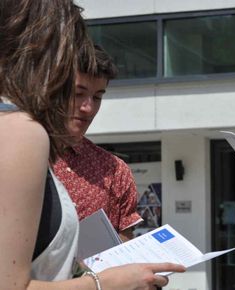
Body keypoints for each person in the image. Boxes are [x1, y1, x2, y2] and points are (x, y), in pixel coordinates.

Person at [0, 0, 184, 289]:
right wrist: (105, 284)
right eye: (66, 49)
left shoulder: (111, 168)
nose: (87, 107)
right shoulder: (21, 132)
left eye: (98, 96)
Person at [53, 44, 142, 241]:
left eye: (97, 97)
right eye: (78, 94)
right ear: (51, 89)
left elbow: (125, 251)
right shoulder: (17, 155)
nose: (88, 107)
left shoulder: (114, 171)